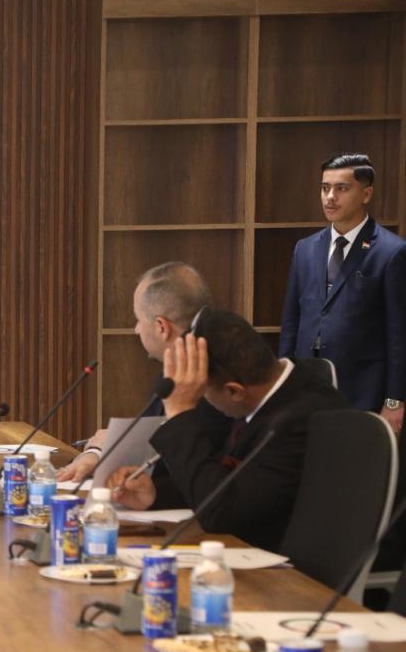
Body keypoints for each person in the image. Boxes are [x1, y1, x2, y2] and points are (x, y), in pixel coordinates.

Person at [107, 310, 349, 553]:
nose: (203, 401)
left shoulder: (296, 423)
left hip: (284, 564)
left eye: (203, 393)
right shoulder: (268, 390)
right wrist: (155, 494)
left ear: (234, 391)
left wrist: (180, 412)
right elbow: (226, 483)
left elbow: (220, 512)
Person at [279, 153, 406, 433]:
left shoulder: (391, 252)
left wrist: (395, 400)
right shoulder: (305, 249)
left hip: (363, 391)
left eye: (342, 188)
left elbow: (399, 335)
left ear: (366, 194)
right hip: (307, 388)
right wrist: (282, 384)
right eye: (325, 188)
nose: (330, 197)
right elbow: (291, 322)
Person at [58, 262, 216, 482]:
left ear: (162, 327)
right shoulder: (175, 368)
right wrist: (96, 452)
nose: (136, 329)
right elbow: (143, 439)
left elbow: (166, 465)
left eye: (139, 320)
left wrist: (109, 450)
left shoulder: (205, 382)